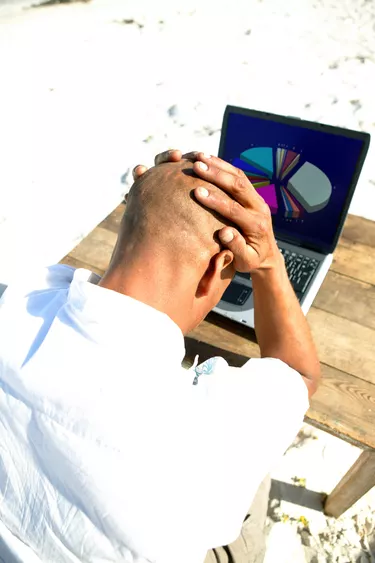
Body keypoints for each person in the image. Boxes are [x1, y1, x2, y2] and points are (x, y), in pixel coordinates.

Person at [0, 150, 320, 563]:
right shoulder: (215, 427)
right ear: (215, 270)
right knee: (255, 477)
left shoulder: (18, 301)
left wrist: (155, 199)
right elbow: (298, 374)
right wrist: (270, 263)